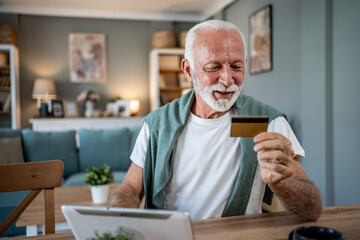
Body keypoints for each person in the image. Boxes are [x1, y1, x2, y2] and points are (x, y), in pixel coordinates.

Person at [109, 20, 322, 221]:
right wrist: (118, 222)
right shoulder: (158, 124)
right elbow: (130, 189)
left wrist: (284, 183)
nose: (228, 79)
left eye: (237, 67)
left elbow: (311, 210)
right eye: (214, 67)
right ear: (188, 71)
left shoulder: (265, 120)